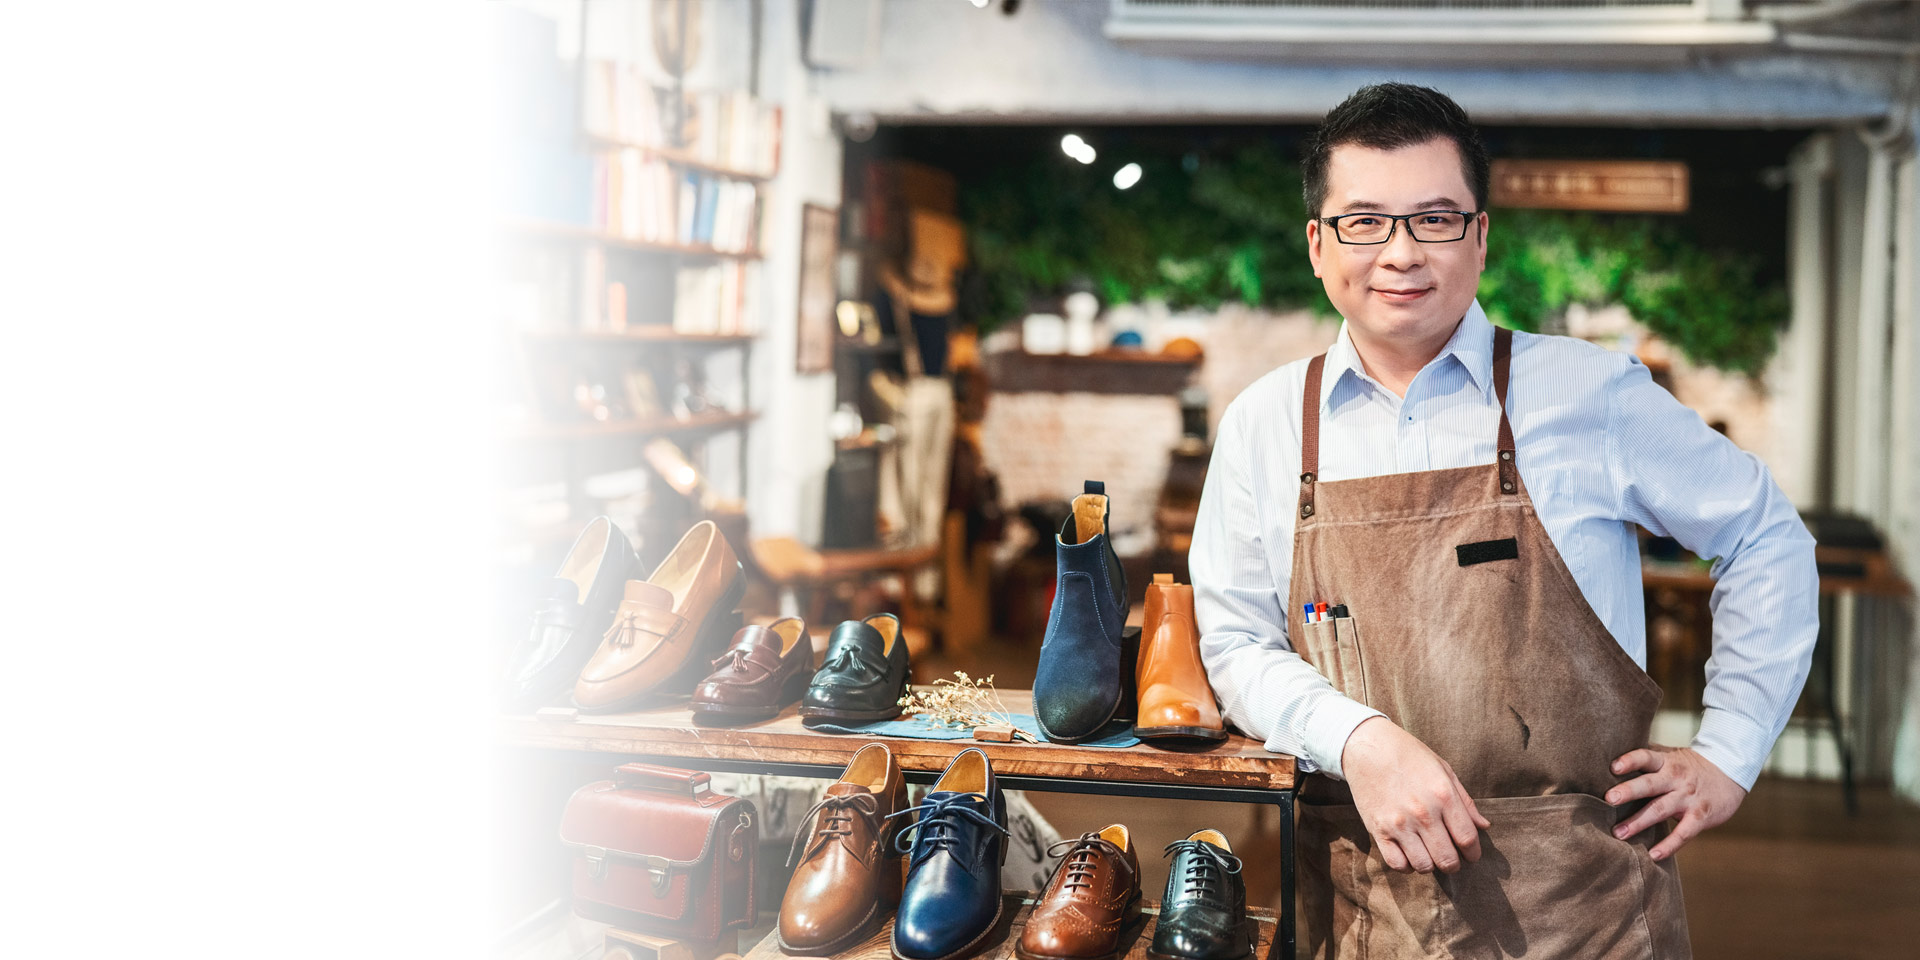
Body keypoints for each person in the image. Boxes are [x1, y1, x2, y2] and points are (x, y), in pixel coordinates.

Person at [1189, 83, 1817, 958]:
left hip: (1584, 911)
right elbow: (1234, 642)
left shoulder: (1587, 392)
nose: (1400, 252)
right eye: (1365, 221)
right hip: (1361, 906)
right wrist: (1360, 741)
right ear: (1318, 246)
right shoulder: (1264, 423)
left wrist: (1731, 750)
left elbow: (1764, 536)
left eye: (1435, 218)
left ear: (1480, 237)